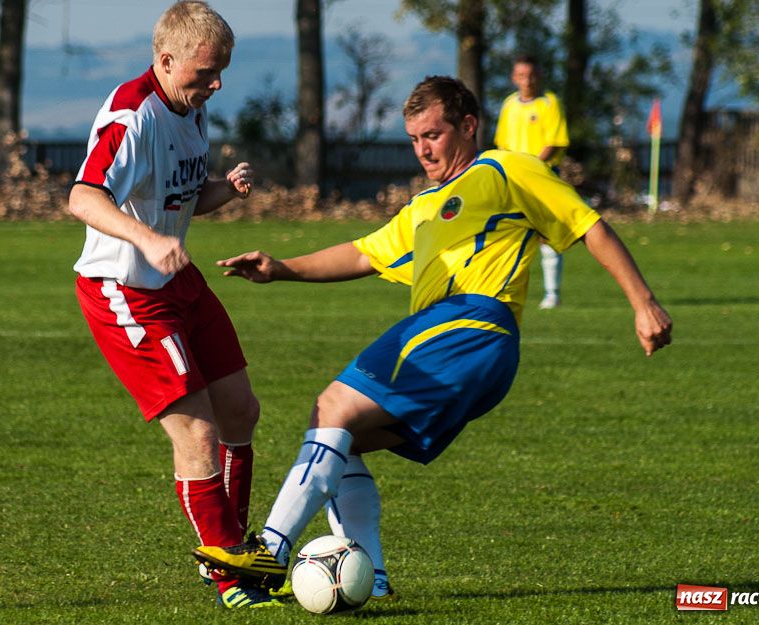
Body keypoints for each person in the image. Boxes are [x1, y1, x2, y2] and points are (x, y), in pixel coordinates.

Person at [193, 76, 673, 596]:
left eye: (434, 134)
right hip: (463, 348)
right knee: (339, 438)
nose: (423, 149)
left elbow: (588, 224)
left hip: (470, 324)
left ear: (468, 126)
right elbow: (362, 253)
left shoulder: (507, 169)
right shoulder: (425, 205)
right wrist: (280, 267)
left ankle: (269, 550)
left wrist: (642, 301)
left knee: (332, 406)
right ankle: (370, 581)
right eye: (414, 139)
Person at [69, 1, 281, 609]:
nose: (216, 84)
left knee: (240, 410)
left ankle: (233, 545)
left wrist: (225, 191)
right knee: (196, 430)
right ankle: (228, 574)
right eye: (206, 72)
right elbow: (83, 197)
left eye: (222, 72)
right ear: (165, 60)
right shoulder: (131, 116)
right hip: (124, 292)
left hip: (176, 281)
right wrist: (148, 238)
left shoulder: (190, 108)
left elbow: (179, 196)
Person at [493, 54, 570, 309]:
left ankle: (552, 294)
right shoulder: (509, 105)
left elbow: (554, 140)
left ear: (540, 76)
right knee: (508, 232)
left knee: (546, 235)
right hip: (514, 179)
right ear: (514, 78)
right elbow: (502, 143)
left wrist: (532, 167)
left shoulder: (549, 103)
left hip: (542, 177)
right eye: (522, 76)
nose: (528, 81)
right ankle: (503, 288)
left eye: (532, 75)